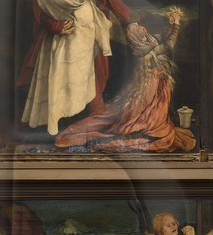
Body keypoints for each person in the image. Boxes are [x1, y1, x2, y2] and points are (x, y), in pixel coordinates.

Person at [53, 11, 196, 152]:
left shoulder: (149, 41)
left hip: (158, 82)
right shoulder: (144, 51)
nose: (140, 27)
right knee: (147, 110)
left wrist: (170, 25)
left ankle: (152, 125)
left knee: (155, 108)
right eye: (137, 29)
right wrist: (176, 24)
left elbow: (163, 36)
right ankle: (148, 127)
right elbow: (169, 44)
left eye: (139, 26)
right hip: (150, 85)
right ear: (136, 38)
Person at [19, 0, 114, 135]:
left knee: (86, 73)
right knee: (64, 80)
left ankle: (94, 114)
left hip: (82, 32)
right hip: (65, 38)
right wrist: (57, 25)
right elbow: (57, 7)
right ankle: (60, 122)